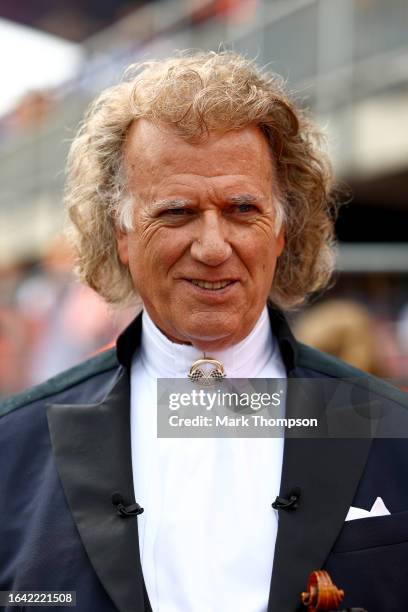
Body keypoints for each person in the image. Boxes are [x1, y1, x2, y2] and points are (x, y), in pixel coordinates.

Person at [0, 51, 407, 612]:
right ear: (120, 234)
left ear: (282, 230)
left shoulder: (395, 433)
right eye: (176, 212)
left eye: (242, 209)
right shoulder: (12, 449)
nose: (214, 247)